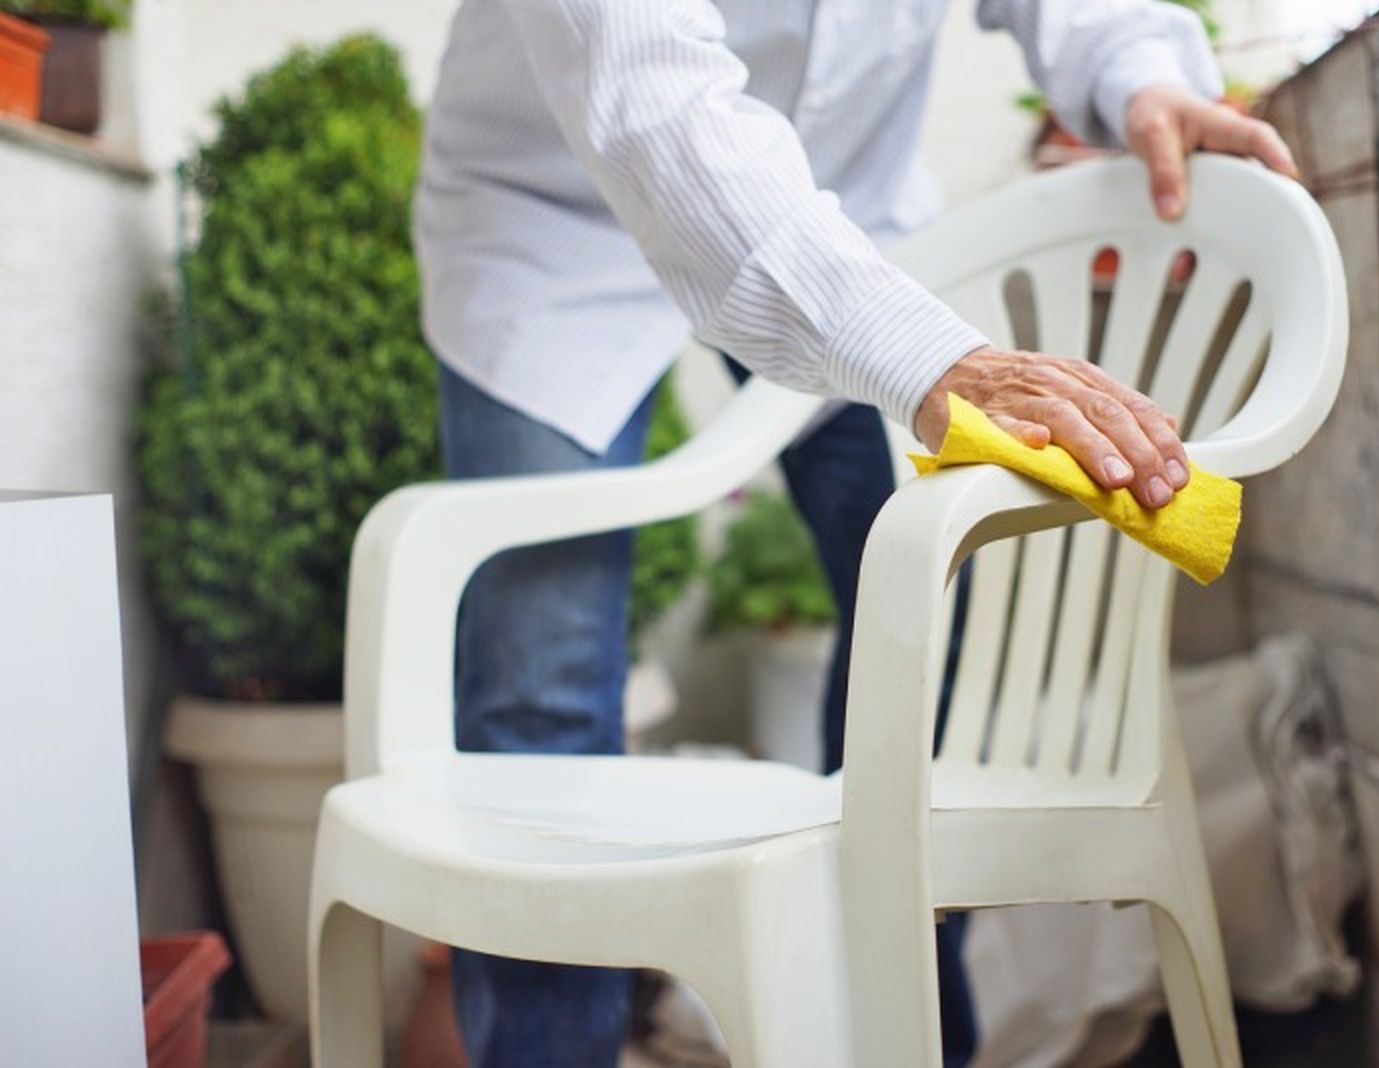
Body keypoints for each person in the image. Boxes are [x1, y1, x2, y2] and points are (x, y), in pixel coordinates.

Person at [413, 2, 1297, 1065]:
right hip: (552, 217)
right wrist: (929, 361)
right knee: (537, 684)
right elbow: (654, 99)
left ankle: (894, 1037)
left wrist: (1142, 73)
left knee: (924, 640)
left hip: (843, 210)